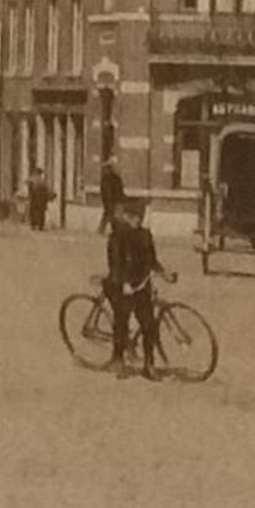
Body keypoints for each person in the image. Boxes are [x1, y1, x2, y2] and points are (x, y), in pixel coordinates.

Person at [104, 198, 166, 380]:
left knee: (149, 325)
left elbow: (152, 260)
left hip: (141, 285)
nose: (137, 221)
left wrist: (164, 272)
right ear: (125, 217)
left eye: (140, 217)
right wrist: (123, 284)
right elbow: (115, 264)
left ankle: (149, 365)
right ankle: (118, 359)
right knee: (122, 322)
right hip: (121, 286)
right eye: (133, 217)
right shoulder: (117, 237)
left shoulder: (145, 235)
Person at [98, 160, 126, 235]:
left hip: (113, 200)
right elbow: (108, 191)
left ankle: (103, 230)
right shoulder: (112, 178)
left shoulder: (108, 178)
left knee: (110, 215)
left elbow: (106, 191)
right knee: (113, 215)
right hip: (114, 200)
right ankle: (113, 230)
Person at [26, 167, 52, 231]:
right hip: (41, 200)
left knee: (33, 211)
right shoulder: (42, 181)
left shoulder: (33, 179)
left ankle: (34, 225)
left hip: (34, 198)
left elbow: (27, 183)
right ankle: (40, 226)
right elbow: (47, 190)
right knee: (41, 212)